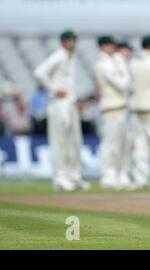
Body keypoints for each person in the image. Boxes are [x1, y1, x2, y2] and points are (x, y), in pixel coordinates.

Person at [33, 30, 89, 191]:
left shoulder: (71, 57)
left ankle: (74, 177)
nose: (73, 43)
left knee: (75, 142)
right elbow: (39, 72)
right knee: (60, 142)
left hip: (70, 103)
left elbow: (69, 82)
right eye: (70, 40)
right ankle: (59, 178)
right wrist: (54, 89)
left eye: (74, 40)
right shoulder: (58, 55)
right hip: (59, 104)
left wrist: (76, 97)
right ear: (63, 42)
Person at [94, 36, 133, 190]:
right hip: (111, 109)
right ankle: (108, 177)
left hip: (121, 109)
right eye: (110, 45)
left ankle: (121, 175)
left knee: (123, 145)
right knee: (111, 145)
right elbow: (123, 84)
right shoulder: (103, 64)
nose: (113, 48)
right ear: (103, 46)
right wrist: (123, 68)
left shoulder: (112, 62)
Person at [128, 35, 150, 188]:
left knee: (140, 145)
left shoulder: (133, 62)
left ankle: (141, 179)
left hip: (136, 108)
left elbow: (129, 86)